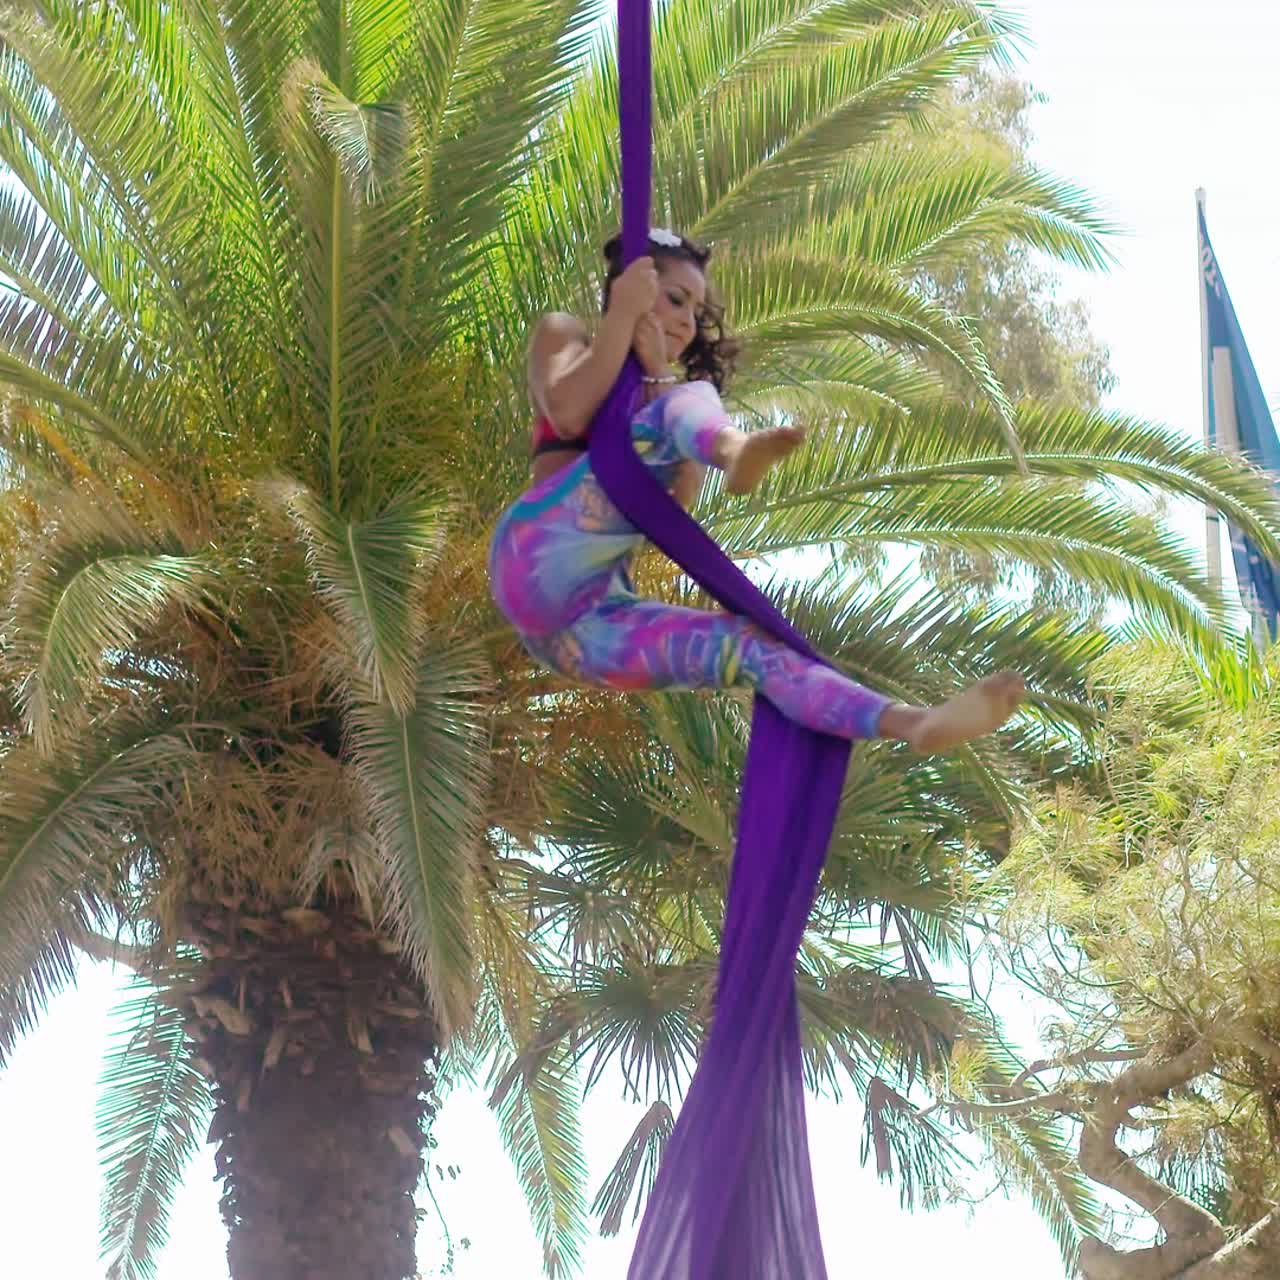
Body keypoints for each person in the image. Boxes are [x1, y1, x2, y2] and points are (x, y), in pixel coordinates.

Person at [488, 229, 1024, 751]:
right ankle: (732, 450)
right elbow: (568, 410)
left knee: (751, 648)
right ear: (632, 284)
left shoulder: (663, 392)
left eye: (695, 315)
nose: (684, 321)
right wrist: (623, 317)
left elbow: (672, 507)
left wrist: (656, 369)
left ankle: (911, 724)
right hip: (534, 557)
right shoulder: (565, 335)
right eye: (674, 299)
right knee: (689, 397)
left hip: (575, 635)